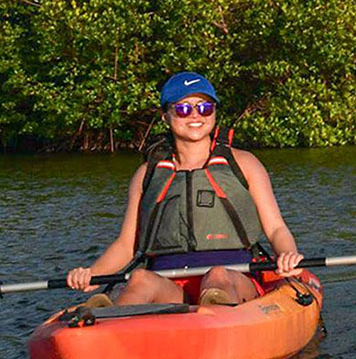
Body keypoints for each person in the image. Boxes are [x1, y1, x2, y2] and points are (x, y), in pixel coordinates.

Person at [66, 71, 303, 306]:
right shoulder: (146, 174)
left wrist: (287, 255)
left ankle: (215, 319)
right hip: (169, 283)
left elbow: (275, 229)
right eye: (183, 109)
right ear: (165, 116)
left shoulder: (245, 163)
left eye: (204, 108)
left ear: (214, 112)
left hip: (234, 277)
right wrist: (92, 274)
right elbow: (127, 245)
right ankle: (108, 323)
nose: (195, 116)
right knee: (139, 279)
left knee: (217, 275)